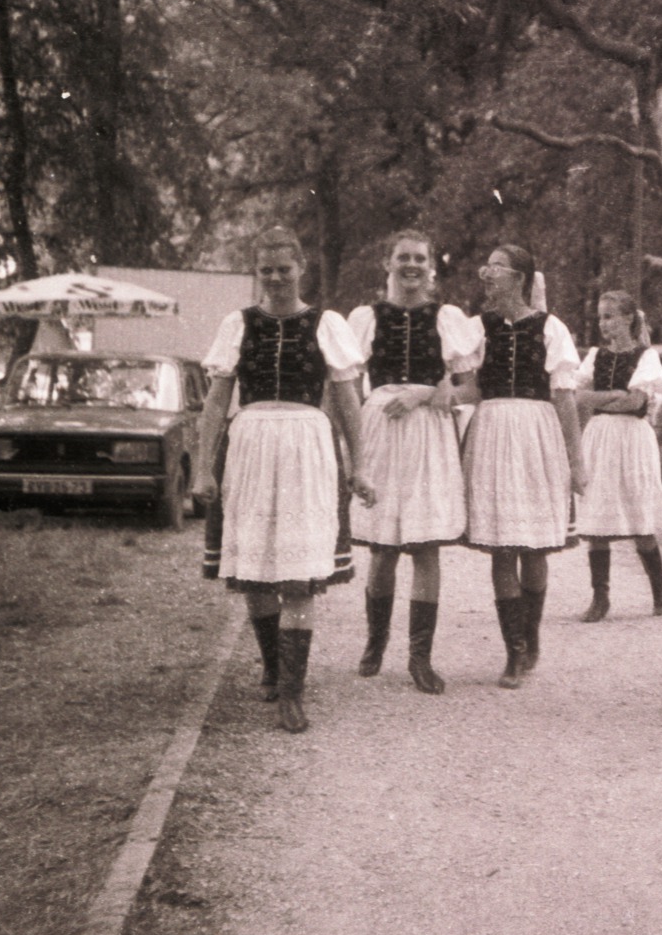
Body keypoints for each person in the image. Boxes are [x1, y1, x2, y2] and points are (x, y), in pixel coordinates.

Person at [192, 225, 376, 733]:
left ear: (301, 270)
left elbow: (347, 402)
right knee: (255, 565)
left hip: (307, 447)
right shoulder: (238, 323)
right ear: (257, 272)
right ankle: (273, 665)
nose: (275, 279)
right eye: (266, 270)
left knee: (299, 571)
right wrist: (204, 466)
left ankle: (293, 692)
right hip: (249, 445)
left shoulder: (326, 323)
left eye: (284, 269)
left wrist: (360, 465)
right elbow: (214, 403)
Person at [347, 229, 478, 695]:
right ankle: (375, 642)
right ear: (388, 262)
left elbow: (471, 388)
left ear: (431, 267)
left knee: (425, 545)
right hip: (381, 429)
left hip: (428, 432)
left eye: (420, 259)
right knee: (383, 547)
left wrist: (428, 391)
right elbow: (345, 383)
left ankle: (420, 657)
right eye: (403, 257)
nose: (411, 266)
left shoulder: (447, 317)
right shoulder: (365, 318)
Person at [457, 245, 585, 688]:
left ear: (520, 277)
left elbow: (564, 398)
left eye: (495, 268)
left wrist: (577, 461)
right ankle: (513, 651)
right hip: (491, 432)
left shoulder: (552, 329)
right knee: (501, 545)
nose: (486, 275)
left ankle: (530, 637)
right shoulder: (477, 329)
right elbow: (469, 389)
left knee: (533, 546)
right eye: (485, 266)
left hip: (536, 436)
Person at [573, 290, 662, 621]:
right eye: (601, 317)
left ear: (628, 318)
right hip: (600, 437)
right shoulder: (595, 357)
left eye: (610, 316)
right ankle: (600, 597)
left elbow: (634, 403)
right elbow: (577, 397)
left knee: (639, 519)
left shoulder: (646, 357)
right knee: (598, 518)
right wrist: (615, 394)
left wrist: (604, 399)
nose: (604, 323)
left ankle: (659, 584)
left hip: (632, 438)